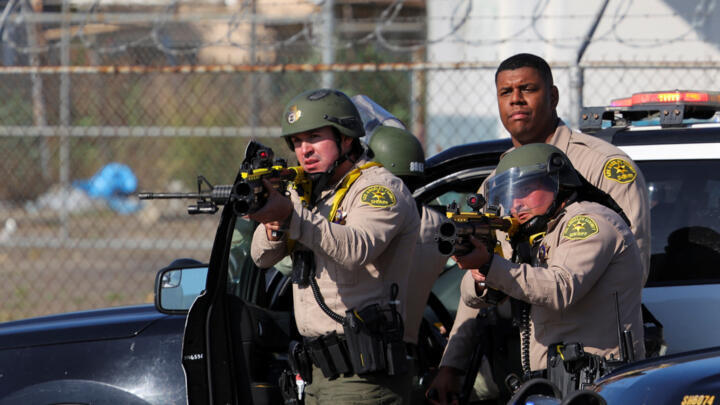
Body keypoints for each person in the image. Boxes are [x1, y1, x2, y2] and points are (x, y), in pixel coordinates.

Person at [429, 53, 651, 403]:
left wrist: (512, 277)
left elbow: (632, 268)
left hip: (586, 359)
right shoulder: (497, 183)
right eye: (506, 92)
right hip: (522, 359)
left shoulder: (600, 165)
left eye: (528, 89)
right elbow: (482, 269)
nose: (516, 100)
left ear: (553, 96)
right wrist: (452, 364)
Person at [248, 88, 420, 405]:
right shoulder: (309, 192)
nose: (304, 150)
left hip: (363, 377)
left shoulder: (378, 189)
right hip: (317, 373)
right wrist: (275, 220)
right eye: (296, 141)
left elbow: (357, 249)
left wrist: (291, 215)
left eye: (314, 137)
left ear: (346, 138)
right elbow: (261, 257)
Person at [459, 144, 645, 397]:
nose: (515, 204)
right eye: (510, 195)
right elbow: (473, 295)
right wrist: (482, 274)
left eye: (525, 190)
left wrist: (491, 266)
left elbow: (561, 288)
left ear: (558, 182)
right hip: (559, 380)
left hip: (599, 382)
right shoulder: (534, 233)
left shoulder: (588, 222)